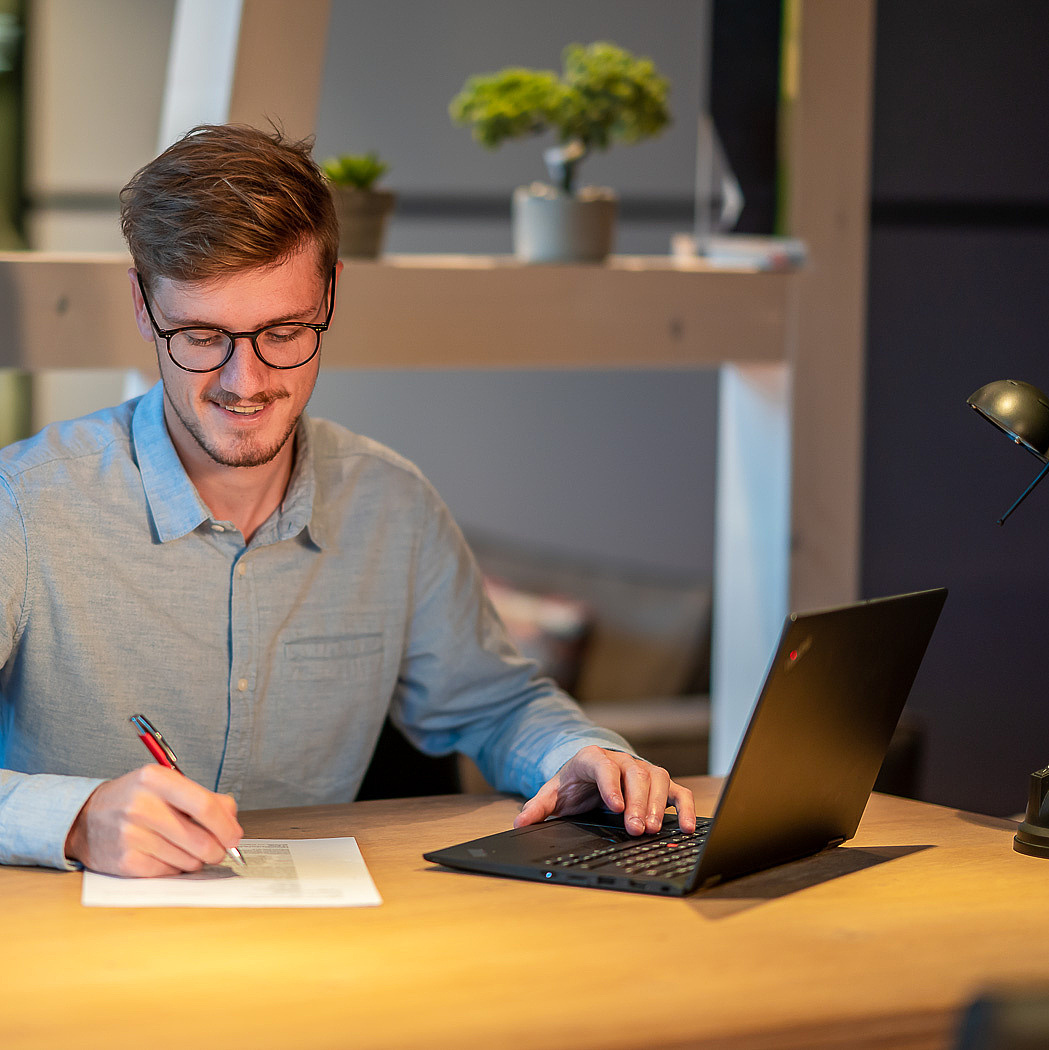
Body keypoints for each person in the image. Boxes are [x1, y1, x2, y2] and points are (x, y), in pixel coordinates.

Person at [0, 124, 696, 877]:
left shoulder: (390, 504)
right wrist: (72, 821)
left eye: (285, 331)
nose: (246, 380)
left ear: (328, 292)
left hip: (324, 954)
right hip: (80, 957)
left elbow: (492, 703)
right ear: (143, 307)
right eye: (202, 336)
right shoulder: (26, 505)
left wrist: (579, 753)